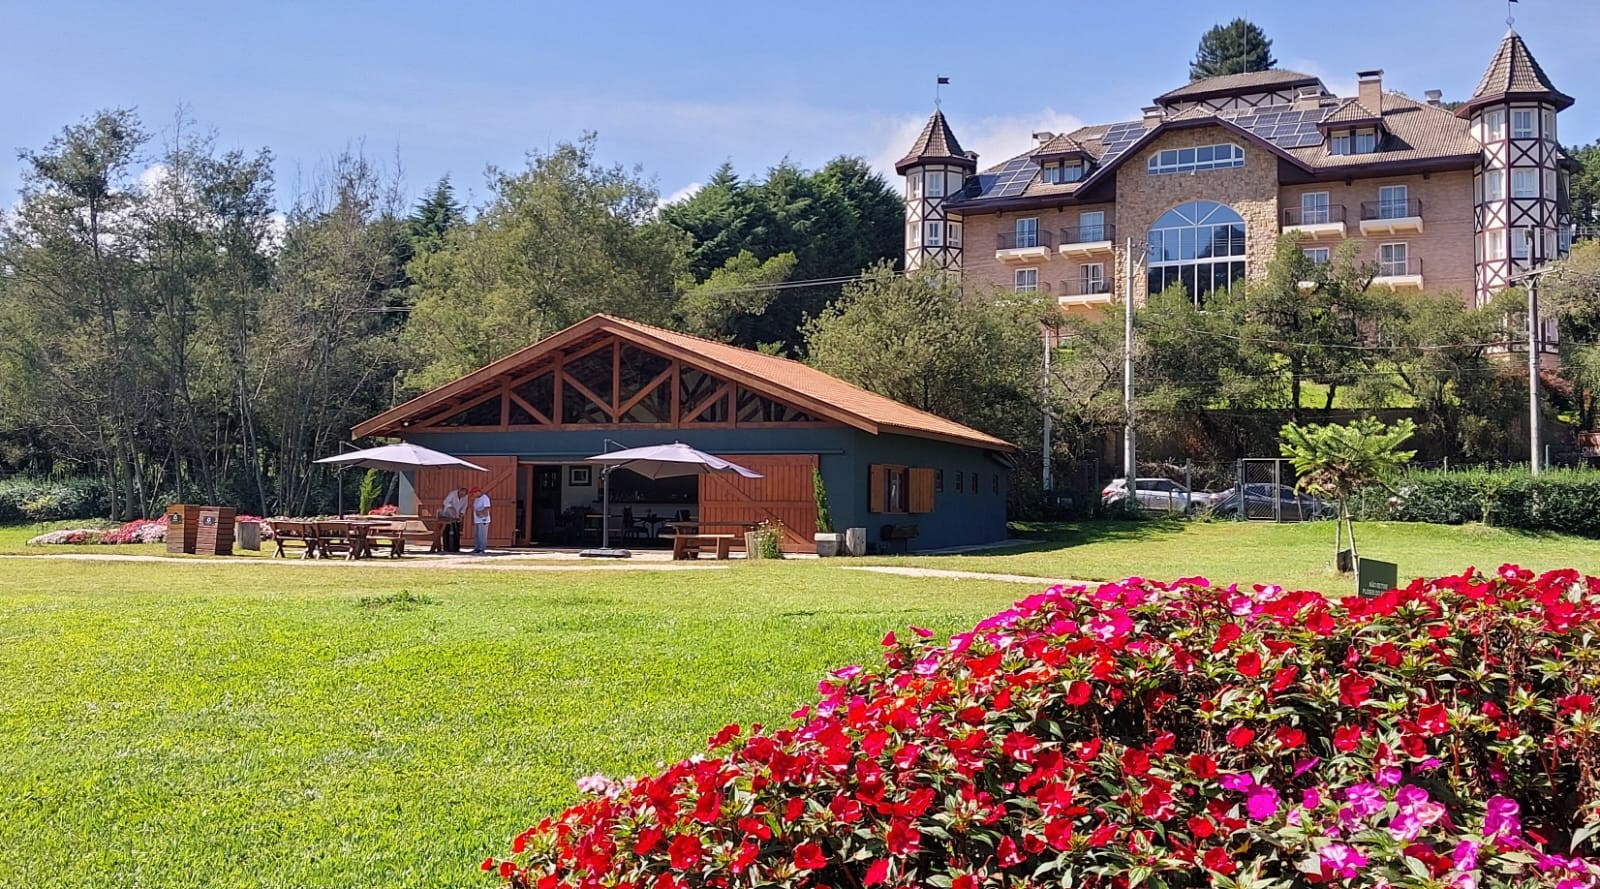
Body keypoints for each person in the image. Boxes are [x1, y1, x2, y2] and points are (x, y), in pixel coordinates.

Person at [439, 486, 468, 553]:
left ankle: (456, 548)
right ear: (459, 491)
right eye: (461, 494)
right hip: (448, 515)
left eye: (464, 495)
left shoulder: (466, 497)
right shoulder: (452, 494)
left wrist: (462, 513)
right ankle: (446, 547)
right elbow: (445, 502)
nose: (462, 496)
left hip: (457, 516)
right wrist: (451, 507)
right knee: (447, 531)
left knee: (456, 532)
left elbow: (465, 505)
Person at [470, 485, 491, 554]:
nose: (473, 494)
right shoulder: (476, 499)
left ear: (478, 492)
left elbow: (487, 508)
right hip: (477, 520)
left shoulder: (485, 498)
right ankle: (477, 548)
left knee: (482, 534)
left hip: (483, 519)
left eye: (474, 493)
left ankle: (482, 548)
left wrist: (481, 513)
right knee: (477, 534)